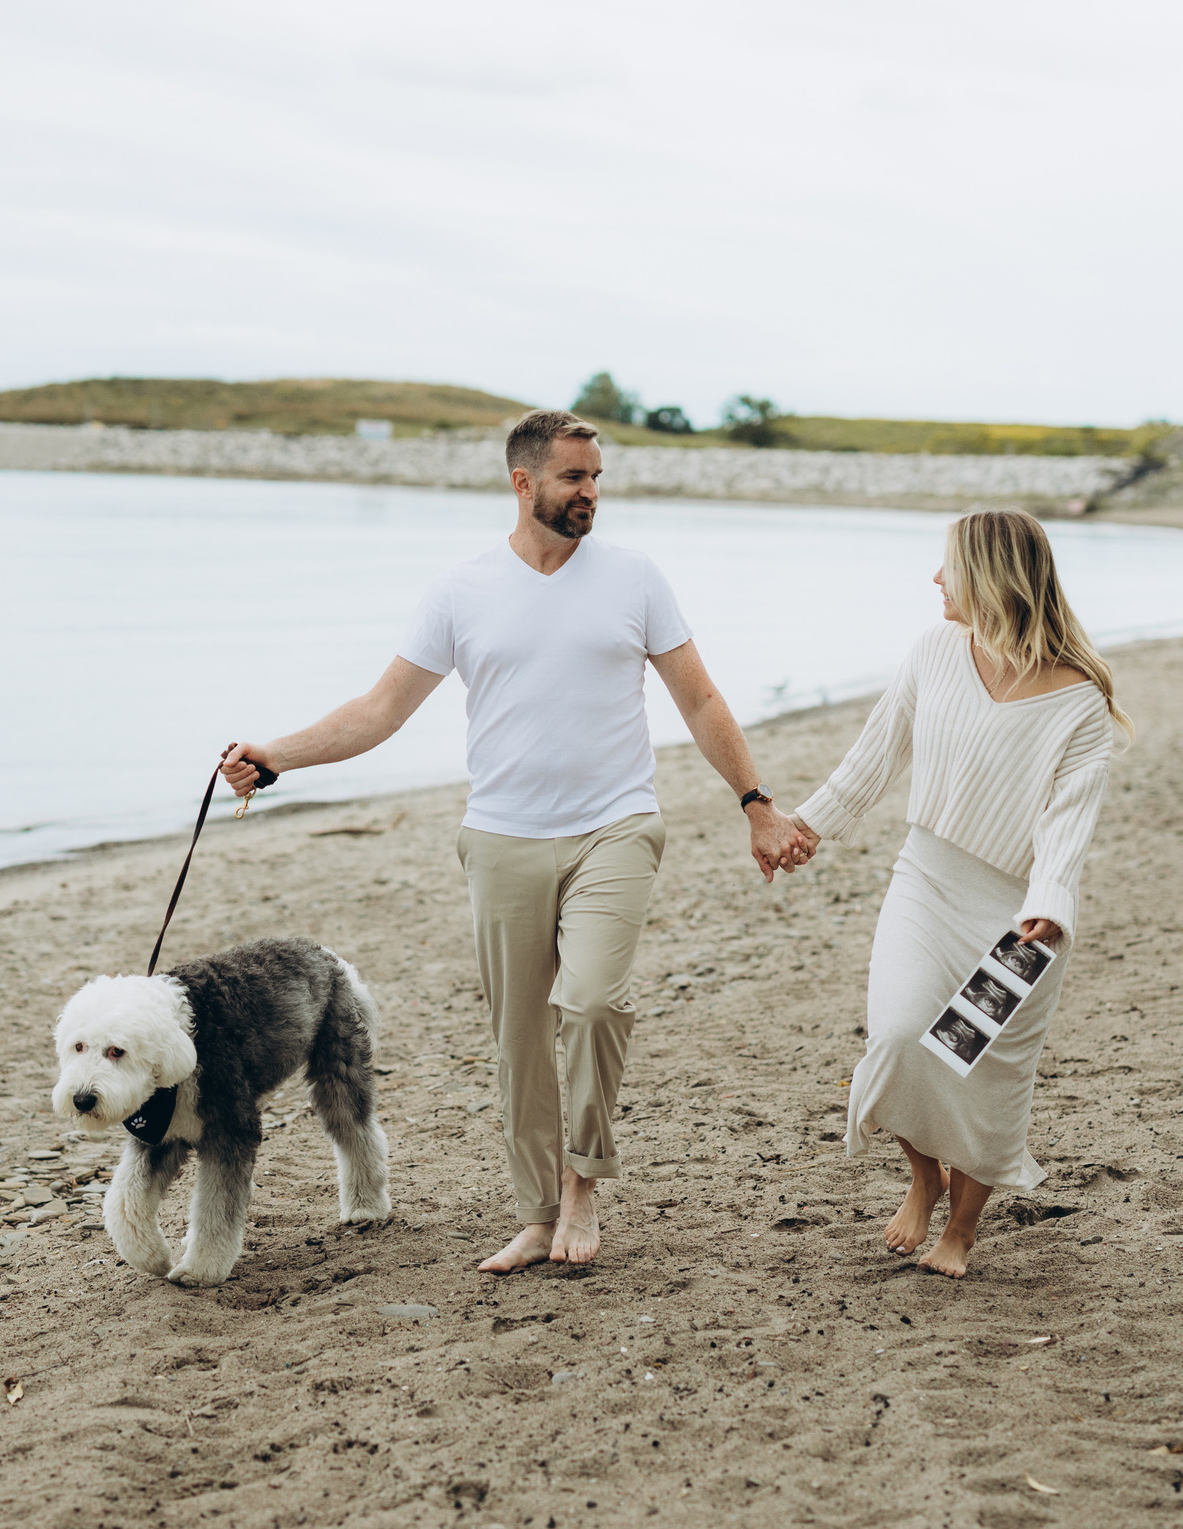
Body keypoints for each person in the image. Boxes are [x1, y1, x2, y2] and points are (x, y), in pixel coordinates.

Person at [220, 409, 809, 1273]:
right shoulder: (461, 591)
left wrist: (756, 802)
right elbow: (381, 710)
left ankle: (582, 1182)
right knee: (521, 1040)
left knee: (595, 1003)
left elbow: (700, 699)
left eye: (597, 476)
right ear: (523, 481)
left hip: (616, 825)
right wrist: (277, 756)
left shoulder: (636, 578)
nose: (591, 492)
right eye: (574, 477)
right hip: (502, 837)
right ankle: (537, 1214)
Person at [775, 509, 1127, 1278]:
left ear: (992, 576)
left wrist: (1050, 902)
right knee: (899, 1037)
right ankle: (923, 1176)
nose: (936, 578)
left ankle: (960, 1230)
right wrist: (803, 826)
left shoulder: (1079, 700)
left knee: (981, 1070)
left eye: (950, 565)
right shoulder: (934, 652)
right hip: (926, 884)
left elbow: (1069, 819)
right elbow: (874, 757)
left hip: (1020, 919)